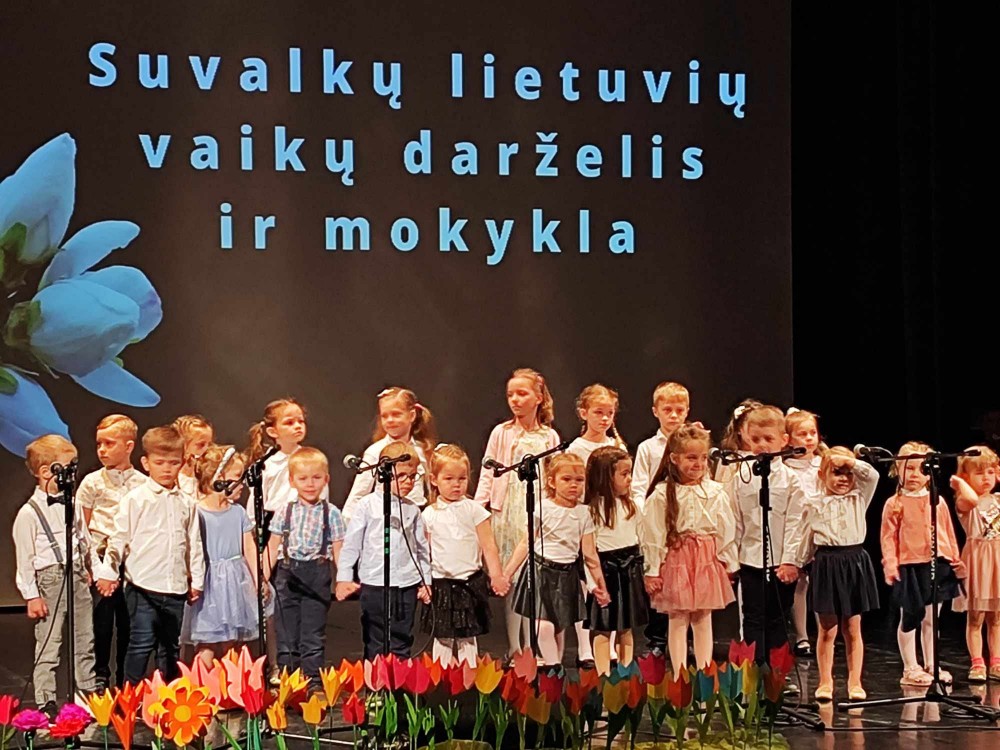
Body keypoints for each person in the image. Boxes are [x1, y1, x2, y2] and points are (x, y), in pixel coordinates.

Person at [95, 426, 205, 683]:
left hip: (175, 587)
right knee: (141, 643)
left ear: (182, 463)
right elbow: (119, 538)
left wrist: (196, 580)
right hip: (142, 586)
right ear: (146, 463)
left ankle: (169, 696)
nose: (167, 469)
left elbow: (194, 543)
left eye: (173, 463)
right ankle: (130, 696)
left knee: (170, 647)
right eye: (159, 463)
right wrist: (108, 572)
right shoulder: (136, 499)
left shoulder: (187, 502)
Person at [474, 368, 561, 660]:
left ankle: (533, 646)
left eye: (522, 393)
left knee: (532, 580)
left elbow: (555, 474)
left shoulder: (549, 436)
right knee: (509, 579)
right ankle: (515, 646)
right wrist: (478, 509)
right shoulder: (501, 432)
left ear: (538, 397)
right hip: (506, 511)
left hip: (535, 511)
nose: (515, 400)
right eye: (510, 394)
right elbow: (488, 472)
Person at [13, 435, 98, 717]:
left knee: (84, 639)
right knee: (50, 643)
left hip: (76, 575)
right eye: (68, 467)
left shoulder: (72, 503)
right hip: (50, 580)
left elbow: (83, 539)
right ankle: (46, 699)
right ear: (46, 471)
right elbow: (25, 560)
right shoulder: (29, 513)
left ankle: (86, 692)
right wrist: (32, 595)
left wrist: (89, 568)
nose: (72, 473)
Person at [641, 425, 737, 670]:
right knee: (678, 618)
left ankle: (705, 671)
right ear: (675, 458)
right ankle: (679, 674)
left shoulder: (715, 491)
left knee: (703, 618)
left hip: (706, 559)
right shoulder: (662, 495)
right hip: (678, 559)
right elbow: (653, 535)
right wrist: (652, 569)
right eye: (691, 457)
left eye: (703, 458)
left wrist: (728, 561)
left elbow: (725, 529)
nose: (699, 463)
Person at [502, 453, 611, 668]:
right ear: (552, 482)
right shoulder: (542, 508)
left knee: (559, 626)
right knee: (543, 626)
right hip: (541, 571)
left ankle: (555, 669)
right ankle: (554, 665)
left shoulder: (583, 513)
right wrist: (507, 573)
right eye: (566, 479)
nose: (573, 485)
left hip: (566, 574)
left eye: (579, 480)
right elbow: (526, 543)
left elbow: (590, 554)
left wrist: (600, 586)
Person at [797, 447, 880, 701]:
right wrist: (797, 563)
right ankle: (825, 682)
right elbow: (806, 537)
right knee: (827, 629)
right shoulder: (814, 503)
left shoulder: (859, 497)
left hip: (854, 562)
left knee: (852, 627)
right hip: (826, 563)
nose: (844, 478)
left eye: (848, 473)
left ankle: (855, 682)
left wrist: (849, 461)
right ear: (822, 475)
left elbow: (872, 475)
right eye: (837, 472)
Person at [880, 441, 966, 686]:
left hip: (937, 565)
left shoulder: (936, 501)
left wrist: (955, 560)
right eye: (909, 468)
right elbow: (887, 537)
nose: (915, 475)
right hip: (909, 567)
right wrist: (891, 564)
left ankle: (931, 663)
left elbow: (947, 532)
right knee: (910, 617)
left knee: (932, 618)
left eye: (921, 469)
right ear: (897, 469)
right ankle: (910, 667)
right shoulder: (894, 503)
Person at [336, 442, 432, 660]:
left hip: (406, 584)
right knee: (375, 639)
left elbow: (421, 549)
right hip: (375, 583)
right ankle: (376, 681)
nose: (408, 482)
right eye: (402, 476)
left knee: (402, 639)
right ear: (384, 473)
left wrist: (426, 581)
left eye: (412, 476)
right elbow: (352, 544)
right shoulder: (367, 505)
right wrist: (344, 577)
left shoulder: (412, 509)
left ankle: (398, 680)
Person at [728, 405, 806, 659]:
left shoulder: (791, 480)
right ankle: (754, 673)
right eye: (756, 439)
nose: (762, 445)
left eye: (768, 439)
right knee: (752, 618)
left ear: (784, 440)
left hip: (781, 563)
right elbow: (735, 521)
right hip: (750, 561)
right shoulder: (741, 477)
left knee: (778, 619)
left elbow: (796, 523)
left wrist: (791, 560)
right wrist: (731, 561)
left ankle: (777, 675)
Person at [422, 444, 509, 666]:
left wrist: (497, 575)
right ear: (434, 480)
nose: (456, 484)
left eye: (462, 478)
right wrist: (424, 583)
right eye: (449, 479)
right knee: (443, 636)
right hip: (441, 583)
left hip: (470, 583)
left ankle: (469, 678)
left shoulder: (474, 510)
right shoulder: (429, 514)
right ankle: (442, 678)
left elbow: (488, 545)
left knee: (467, 637)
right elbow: (424, 552)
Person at [76, 414, 145, 690]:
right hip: (101, 558)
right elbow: (82, 527)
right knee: (101, 621)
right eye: (99, 444)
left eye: (109, 443)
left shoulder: (142, 484)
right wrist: (91, 565)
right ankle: (99, 675)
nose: (102, 450)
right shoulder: (92, 482)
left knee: (129, 622)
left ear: (129, 446)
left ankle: (126, 680)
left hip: (131, 560)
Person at [264, 446, 345, 680]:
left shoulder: (332, 513)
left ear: (326, 480)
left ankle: (312, 682)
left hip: (316, 574)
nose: (310, 484)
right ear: (292, 481)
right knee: (286, 634)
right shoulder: (284, 511)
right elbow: (272, 546)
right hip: (287, 575)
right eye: (303, 478)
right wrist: (262, 578)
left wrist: (343, 579)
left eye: (316, 478)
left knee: (313, 635)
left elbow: (339, 549)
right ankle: (288, 682)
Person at [183, 446, 260, 669]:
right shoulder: (197, 512)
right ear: (217, 479)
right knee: (206, 641)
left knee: (232, 642)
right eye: (237, 477)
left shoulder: (238, 512)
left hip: (235, 582)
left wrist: (258, 580)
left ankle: (230, 683)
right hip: (208, 584)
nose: (242, 483)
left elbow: (249, 547)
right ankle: (202, 685)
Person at [630, 381, 693, 655]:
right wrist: (644, 518)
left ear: (687, 410)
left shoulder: (693, 444)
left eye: (679, 409)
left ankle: (684, 637)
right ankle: (657, 638)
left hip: (686, 522)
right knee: (657, 578)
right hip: (657, 521)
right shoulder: (648, 448)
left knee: (686, 580)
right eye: (667, 409)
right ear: (656, 411)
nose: (674, 415)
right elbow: (639, 486)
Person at [585, 446, 648, 674]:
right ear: (605, 477)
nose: (629, 479)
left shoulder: (632, 506)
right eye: (624, 474)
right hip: (606, 571)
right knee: (603, 627)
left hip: (629, 569)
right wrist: (594, 584)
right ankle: (603, 674)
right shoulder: (591, 511)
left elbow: (642, 538)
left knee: (626, 626)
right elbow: (588, 552)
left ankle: (625, 672)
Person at [343, 387, 437, 522]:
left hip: (416, 519)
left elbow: (432, 489)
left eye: (396, 414)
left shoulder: (423, 450)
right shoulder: (375, 452)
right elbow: (358, 495)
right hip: (385, 518)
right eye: (384, 416)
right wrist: (348, 526)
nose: (390, 420)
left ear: (412, 415)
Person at [951, 447, 1000, 682]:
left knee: (996, 618)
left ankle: (996, 662)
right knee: (976, 617)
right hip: (978, 560)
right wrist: (960, 483)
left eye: (990, 472)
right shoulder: (965, 502)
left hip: (997, 560)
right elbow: (970, 498)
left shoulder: (998, 499)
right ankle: (977, 662)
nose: (986, 478)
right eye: (979, 473)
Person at [783, 407, 825, 659]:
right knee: (801, 583)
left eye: (812, 433)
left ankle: (825, 634)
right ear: (789, 439)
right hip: (798, 531)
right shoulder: (786, 468)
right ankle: (801, 636)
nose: (809, 438)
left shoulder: (824, 464)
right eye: (802, 434)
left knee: (821, 583)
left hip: (821, 531)